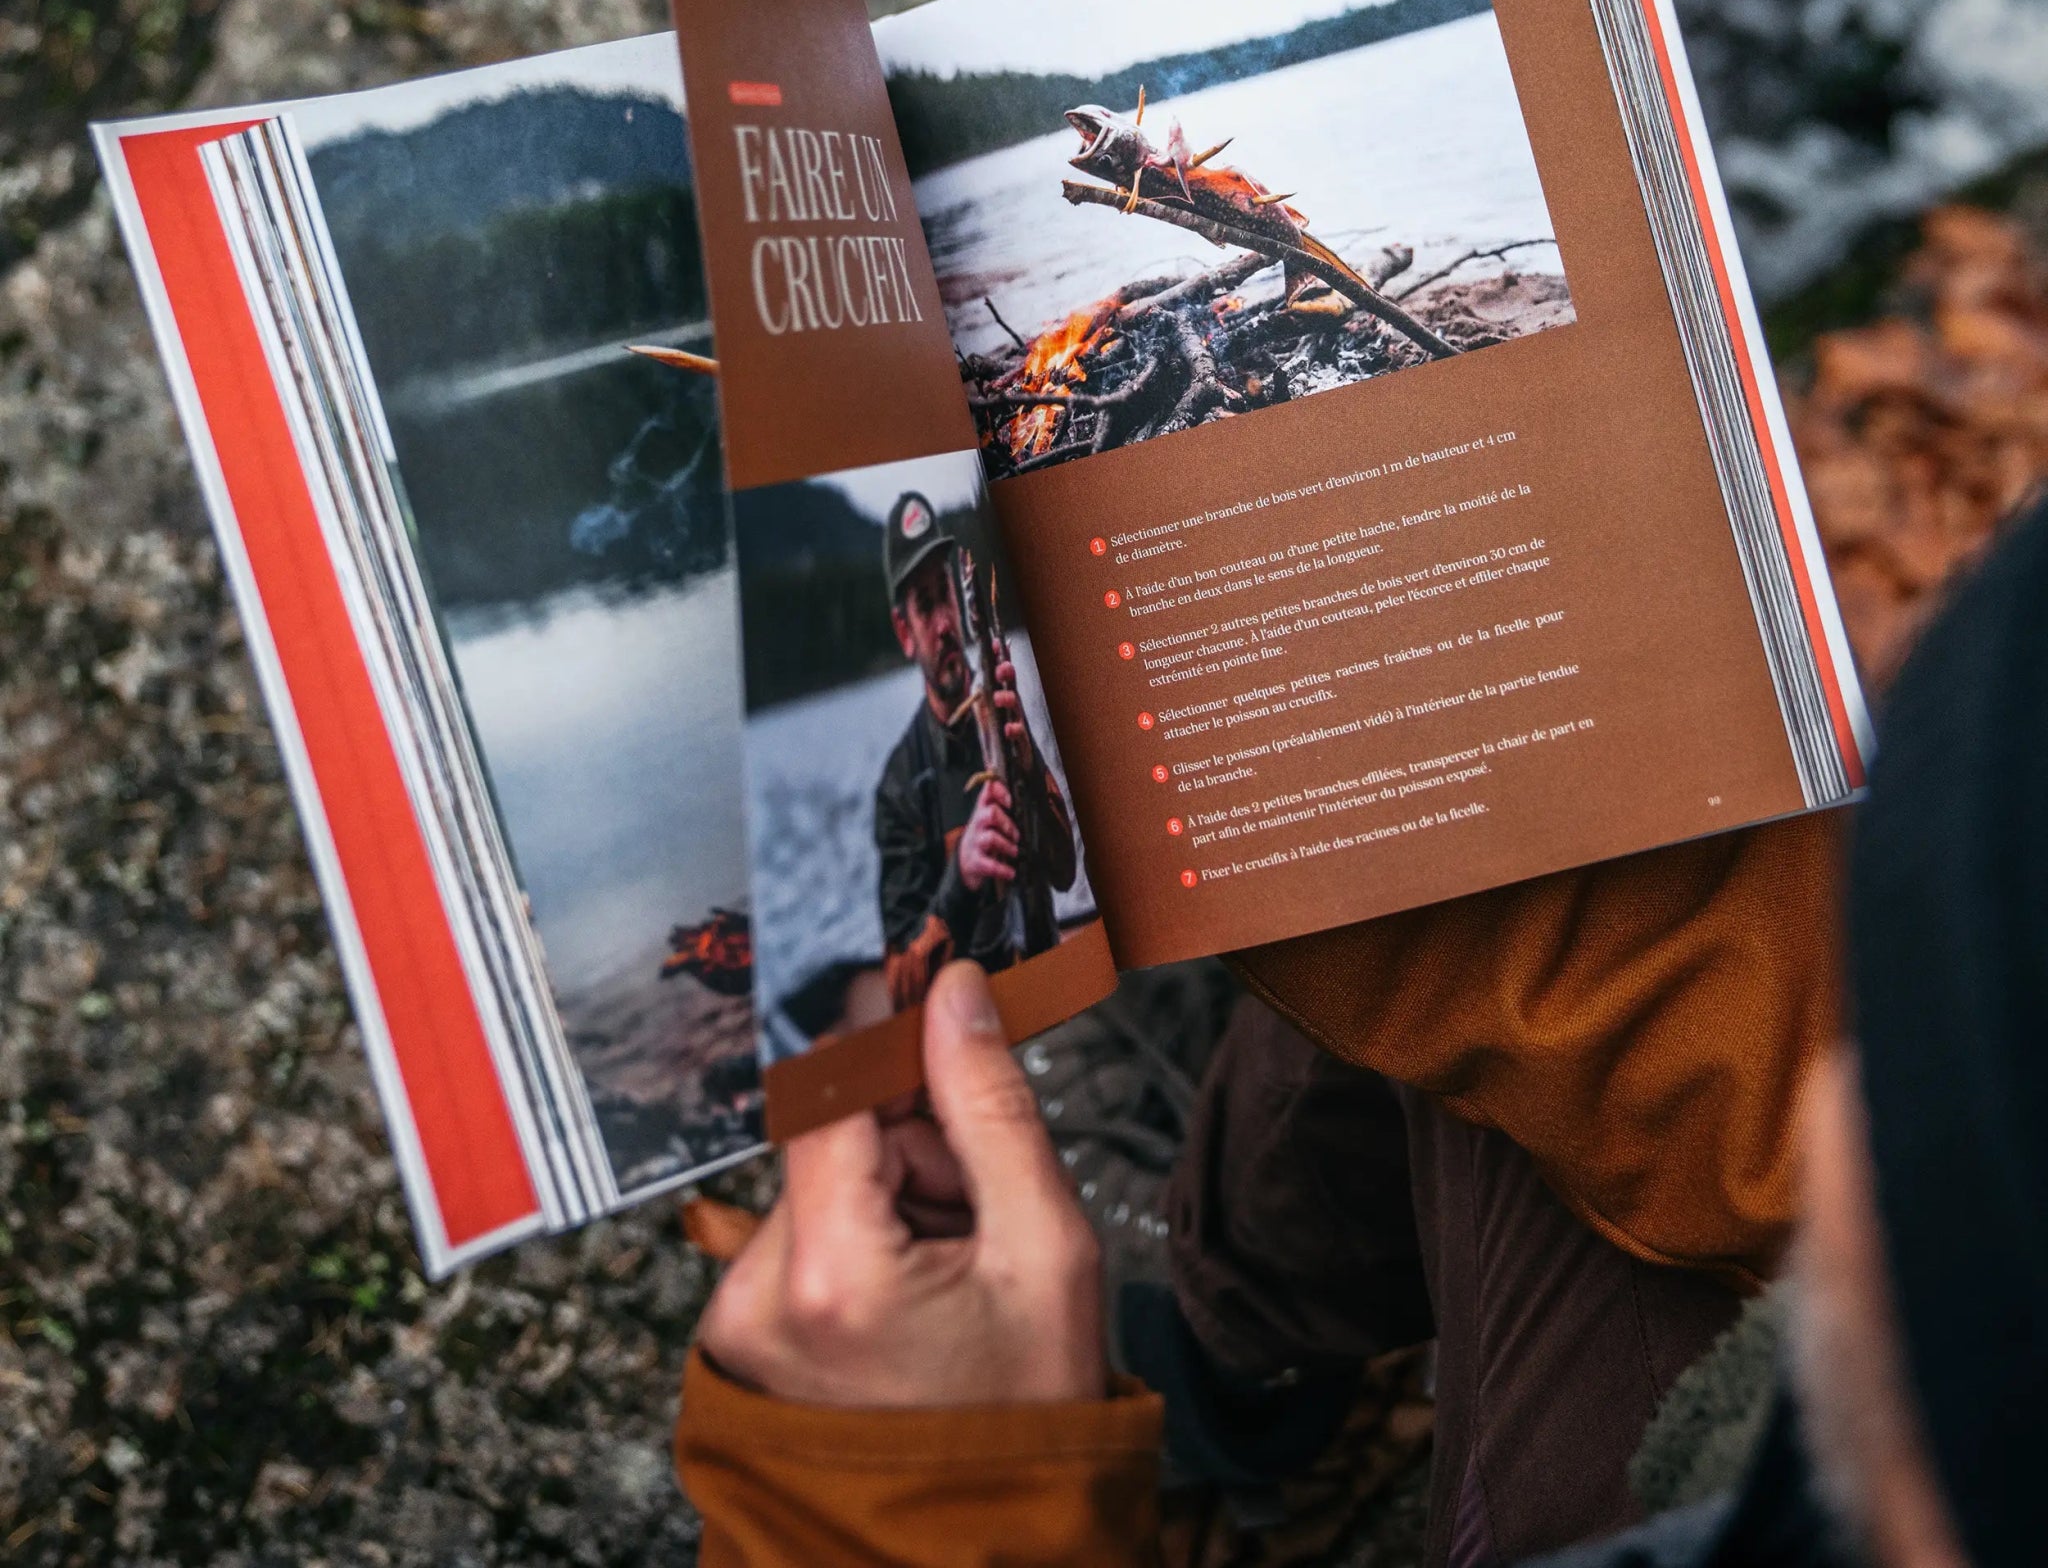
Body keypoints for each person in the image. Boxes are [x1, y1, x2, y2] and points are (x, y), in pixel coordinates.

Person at [678, 498, 2048, 1568]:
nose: (932, 627)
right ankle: (1214, 1347)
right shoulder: (904, 766)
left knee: (1489, 981)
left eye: (943, 600)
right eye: (914, 609)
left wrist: (900, 1522)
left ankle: (1203, 1348)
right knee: (1515, 985)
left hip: (1789, 1436)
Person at [873, 491, 1076, 1009]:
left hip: (1045, 977)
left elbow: (1064, 870)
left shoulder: (1003, 714)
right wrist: (959, 878)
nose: (943, 623)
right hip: (972, 1013)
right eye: (924, 606)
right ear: (905, 632)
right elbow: (900, 986)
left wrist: (1027, 764)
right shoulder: (900, 786)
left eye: (945, 595)